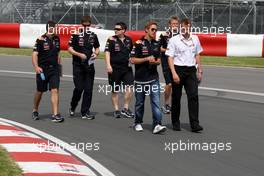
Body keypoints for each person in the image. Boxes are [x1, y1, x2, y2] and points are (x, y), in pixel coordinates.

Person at [166, 18, 203, 132]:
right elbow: (170, 58)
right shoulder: (174, 40)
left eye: (187, 27)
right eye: (182, 27)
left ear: (190, 27)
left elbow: (197, 54)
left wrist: (199, 70)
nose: (184, 29)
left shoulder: (195, 38)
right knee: (177, 97)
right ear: (180, 27)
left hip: (191, 70)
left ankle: (194, 124)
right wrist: (174, 73)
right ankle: (175, 122)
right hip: (178, 70)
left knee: (193, 96)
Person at [130, 21, 166, 134]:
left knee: (156, 102)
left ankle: (157, 125)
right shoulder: (138, 43)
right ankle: (138, 122)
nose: (154, 32)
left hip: (153, 78)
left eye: (156, 30)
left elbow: (158, 61)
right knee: (139, 103)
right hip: (140, 79)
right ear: (146, 29)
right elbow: (132, 59)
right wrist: (146, 59)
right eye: (152, 29)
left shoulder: (156, 44)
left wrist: (155, 62)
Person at [68, 16, 100, 119]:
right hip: (78, 65)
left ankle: (85, 111)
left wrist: (96, 54)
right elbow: (69, 48)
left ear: (90, 25)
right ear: (81, 24)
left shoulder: (93, 35)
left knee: (88, 90)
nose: (86, 27)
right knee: (79, 88)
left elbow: (97, 48)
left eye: (88, 25)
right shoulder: (76, 35)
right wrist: (79, 54)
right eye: (84, 25)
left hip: (89, 66)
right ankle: (73, 106)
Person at [31, 21, 64, 123]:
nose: (53, 29)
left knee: (55, 90)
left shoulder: (57, 38)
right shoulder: (40, 39)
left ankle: (55, 114)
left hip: (54, 69)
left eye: (54, 27)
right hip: (42, 69)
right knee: (40, 91)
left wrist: (60, 68)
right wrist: (36, 67)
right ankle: (35, 110)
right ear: (48, 28)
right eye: (51, 27)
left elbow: (58, 53)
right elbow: (34, 54)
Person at [104, 22, 134, 118]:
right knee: (115, 90)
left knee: (130, 87)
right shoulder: (111, 39)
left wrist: (132, 58)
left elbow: (132, 52)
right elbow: (107, 52)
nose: (115, 30)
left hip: (127, 68)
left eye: (118, 29)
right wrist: (108, 65)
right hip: (114, 68)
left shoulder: (129, 40)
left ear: (123, 30)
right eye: (115, 29)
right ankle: (116, 110)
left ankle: (125, 108)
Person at [159, 16, 180, 114]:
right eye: (173, 24)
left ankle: (174, 104)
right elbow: (159, 48)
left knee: (176, 84)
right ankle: (166, 104)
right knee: (169, 84)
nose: (175, 25)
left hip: (178, 62)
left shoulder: (181, 35)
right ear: (169, 25)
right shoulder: (164, 35)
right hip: (166, 62)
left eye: (176, 24)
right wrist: (169, 50)